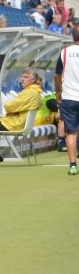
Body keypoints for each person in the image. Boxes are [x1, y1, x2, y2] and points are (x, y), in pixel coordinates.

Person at [0, 67, 42, 167]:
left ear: (33, 80)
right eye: (22, 76)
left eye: (26, 77)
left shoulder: (30, 93)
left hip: (13, 124)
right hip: (15, 123)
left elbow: (8, 106)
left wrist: (11, 108)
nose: (22, 79)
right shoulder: (35, 92)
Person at [55, 26, 79, 174]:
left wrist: (58, 92)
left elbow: (57, 75)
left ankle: (73, 166)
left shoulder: (64, 52)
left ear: (72, 37)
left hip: (69, 97)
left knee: (71, 133)